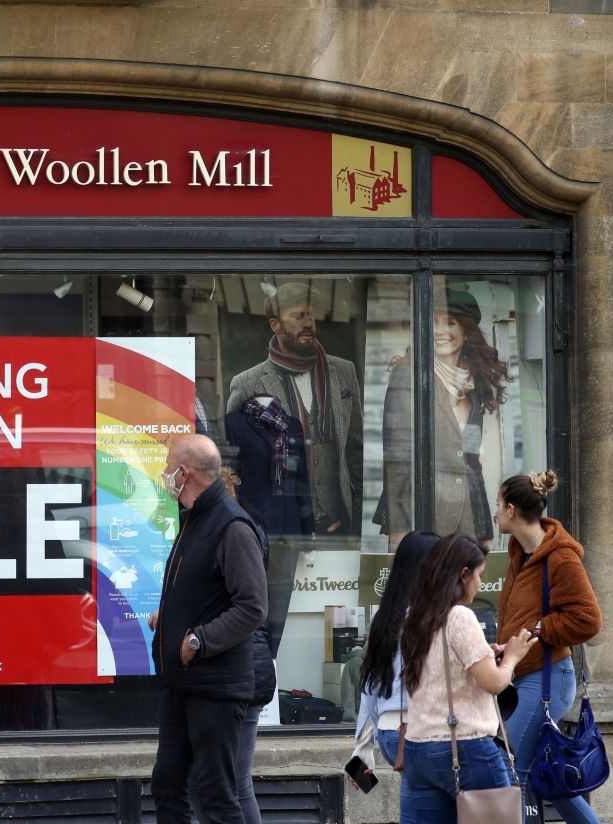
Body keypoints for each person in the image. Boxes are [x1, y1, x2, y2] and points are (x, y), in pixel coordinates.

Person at [147, 434, 268, 823]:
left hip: (215, 688)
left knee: (215, 794)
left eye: (167, 467)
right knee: (167, 785)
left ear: (183, 473)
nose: (164, 475)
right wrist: (169, 618)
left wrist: (199, 640)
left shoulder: (231, 526)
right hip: (182, 686)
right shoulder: (195, 520)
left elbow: (252, 607)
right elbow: (204, 592)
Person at [397, 533, 538, 824]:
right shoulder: (460, 616)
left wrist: (487, 654)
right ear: (463, 575)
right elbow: (495, 683)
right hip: (464, 745)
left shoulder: (417, 617)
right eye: (478, 575)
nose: (481, 583)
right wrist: (512, 656)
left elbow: (442, 667)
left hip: (418, 748)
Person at [495, 471, 603, 824]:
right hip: (525, 677)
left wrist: (538, 630)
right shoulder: (521, 554)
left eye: (497, 505)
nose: (494, 513)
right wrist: (506, 646)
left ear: (511, 510)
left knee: (512, 769)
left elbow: (588, 620)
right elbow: (521, 615)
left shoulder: (560, 558)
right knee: (551, 779)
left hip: (548, 679)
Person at [375, 286, 513, 547]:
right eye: (434, 322)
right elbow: (397, 460)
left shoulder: (474, 384)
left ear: (465, 330)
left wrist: (484, 531)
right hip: (425, 513)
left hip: (468, 519)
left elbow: (472, 462)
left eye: (450, 322)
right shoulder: (409, 376)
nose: (440, 331)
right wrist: (399, 529)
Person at [226, 282, 363, 536]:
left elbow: (357, 449)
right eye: (298, 316)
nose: (308, 322)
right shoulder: (247, 383)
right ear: (275, 325)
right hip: (280, 526)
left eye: (310, 315)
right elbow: (232, 460)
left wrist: (355, 509)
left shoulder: (344, 372)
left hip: (340, 523)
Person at [348, 531, 439, 788]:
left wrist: (362, 747)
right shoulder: (431, 620)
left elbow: (370, 684)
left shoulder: (386, 618)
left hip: (390, 734)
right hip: (422, 731)